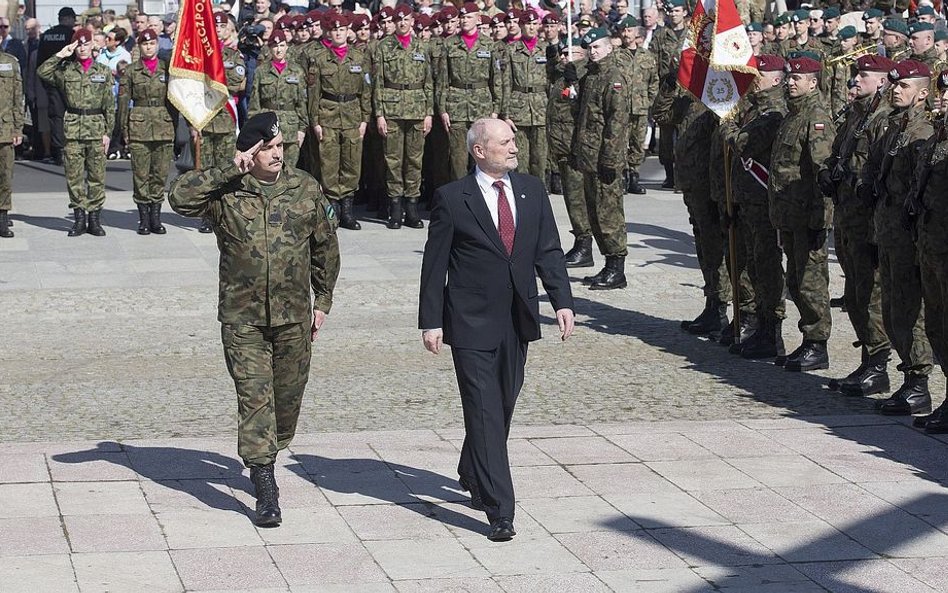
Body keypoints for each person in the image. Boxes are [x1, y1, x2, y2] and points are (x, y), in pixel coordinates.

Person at [169, 112, 340, 527]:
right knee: (254, 396)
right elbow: (179, 198)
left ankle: (271, 447)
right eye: (267, 148)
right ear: (249, 151)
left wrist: (323, 301)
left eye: (280, 147)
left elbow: (325, 247)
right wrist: (231, 168)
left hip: (294, 315)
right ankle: (264, 482)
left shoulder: (304, 188)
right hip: (242, 316)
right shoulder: (227, 191)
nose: (277, 154)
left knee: (287, 398)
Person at [418, 118, 574, 542]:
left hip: (516, 317)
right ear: (479, 151)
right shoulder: (452, 199)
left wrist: (561, 300)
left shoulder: (531, 189)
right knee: (484, 410)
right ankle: (499, 508)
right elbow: (434, 266)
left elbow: (548, 249)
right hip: (469, 321)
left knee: (502, 403)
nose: (513, 146)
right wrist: (430, 321)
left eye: (514, 140)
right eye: (504, 141)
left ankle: (472, 467)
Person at [859, 60, 934, 417]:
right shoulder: (894, 128)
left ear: (922, 93)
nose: (895, 90)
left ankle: (919, 383)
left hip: (908, 239)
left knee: (909, 310)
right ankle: (907, 376)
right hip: (887, 233)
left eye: (903, 86)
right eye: (894, 85)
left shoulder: (922, 133)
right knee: (891, 311)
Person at [819, 54, 895, 397]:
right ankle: (868, 358)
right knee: (855, 293)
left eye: (863, 75)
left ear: (881, 81)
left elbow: (882, 176)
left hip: (868, 225)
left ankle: (878, 364)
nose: (855, 81)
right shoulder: (856, 115)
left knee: (871, 295)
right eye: (855, 75)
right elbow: (840, 156)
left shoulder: (882, 119)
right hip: (848, 219)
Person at [768, 55, 834, 371]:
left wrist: (820, 218)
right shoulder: (791, 115)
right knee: (796, 282)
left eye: (798, 78)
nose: (791, 82)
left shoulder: (815, 116)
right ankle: (808, 340)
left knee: (811, 284)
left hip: (808, 216)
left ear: (813, 82)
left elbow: (822, 171)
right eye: (790, 78)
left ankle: (817, 345)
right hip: (791, 215)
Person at [38, 29, 115, 237]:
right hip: (73, 128)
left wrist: (108, 132)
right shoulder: (66, 71)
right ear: (74, 47)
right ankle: (79, 218)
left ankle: (95, 219)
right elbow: (42, 72)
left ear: (92, 46)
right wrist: (61, 54)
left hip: (96, 127)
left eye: (86, 44)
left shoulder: (103, 71)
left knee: (97, 177)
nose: (82, 48)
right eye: (78, 45)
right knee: (74, 177)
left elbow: (110, 105)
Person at [572, 27, 632, 290]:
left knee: (609, 213)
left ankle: (617, 268)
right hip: (588, 156)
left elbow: (616, 123)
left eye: (597, 47)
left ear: (609, 48)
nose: (593, 51)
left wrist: (610, 158)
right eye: (590, 48)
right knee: (595, 212)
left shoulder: (613, 77)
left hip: (604, 158)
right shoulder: (591, 75)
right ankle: (608, 264)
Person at [307, 11, 370, 231]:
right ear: (328, 33)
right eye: (334, 30)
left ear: (347, 32)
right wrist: (315, 121)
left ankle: (348, 210)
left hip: (353, 114)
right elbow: (314, 92)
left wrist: (365, 118)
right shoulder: (320, 58)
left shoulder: (359, 58)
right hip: (328, 115)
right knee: (330, 163)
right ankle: (332, 209)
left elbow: (366, 91)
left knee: (352, 162)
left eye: (342, 30)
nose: (338, 33)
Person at [373, 5, 434, 230]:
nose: (402, 23)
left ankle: (412, 207)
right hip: (392, 109)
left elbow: (429, 82)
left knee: (414, 160)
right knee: (393, 160)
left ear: (412, 20)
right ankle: (395, 208)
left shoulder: (421, 46)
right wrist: (379, 114)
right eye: (398, 20)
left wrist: (429, 113)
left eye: (406, 19)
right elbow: (378, 83)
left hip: (417, 109)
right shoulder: (384, 46)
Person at [118, 28, 175, 235]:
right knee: (141, 174)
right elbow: (124, 101)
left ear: (158, 45)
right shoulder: (131, 71)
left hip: (163, 123)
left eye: (152, 44)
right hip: (139, 124)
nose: (148, 47)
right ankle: (143, 219)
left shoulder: (167, 69)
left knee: (160, 174)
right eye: (144, 44)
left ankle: (156, 218)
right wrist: (124, 129)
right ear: (139, 46)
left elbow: (176, 99)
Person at [436, 3, 501, 181]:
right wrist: (442, 109)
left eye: (469, 17)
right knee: (458, 158)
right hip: (456, 105)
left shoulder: (489, 45)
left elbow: (496, 79)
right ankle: (461, 200)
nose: (465, 20)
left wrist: (496, 109)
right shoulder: (449, 44)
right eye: (462, 17)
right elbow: (442, 79)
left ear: (478, 19)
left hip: (482, 105)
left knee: (482, 156)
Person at [248, 29, 308, 170]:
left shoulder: (297, 71)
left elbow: (301, 102)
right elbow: (254, 103)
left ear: (287, 46)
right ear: (269, 48)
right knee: (269, 168)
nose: (278, 50)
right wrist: (255, 129)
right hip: (268, 124)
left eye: (281, 45)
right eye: (275, 46)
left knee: (290, 168)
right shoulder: (261, 71)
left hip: (290, 127)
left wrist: (302, 129)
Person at [0, 48, 23, 238]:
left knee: (5, 175)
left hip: (4, 129)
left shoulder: (10, 62)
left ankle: (2, 217)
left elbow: (18, 97)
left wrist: (18, 128)